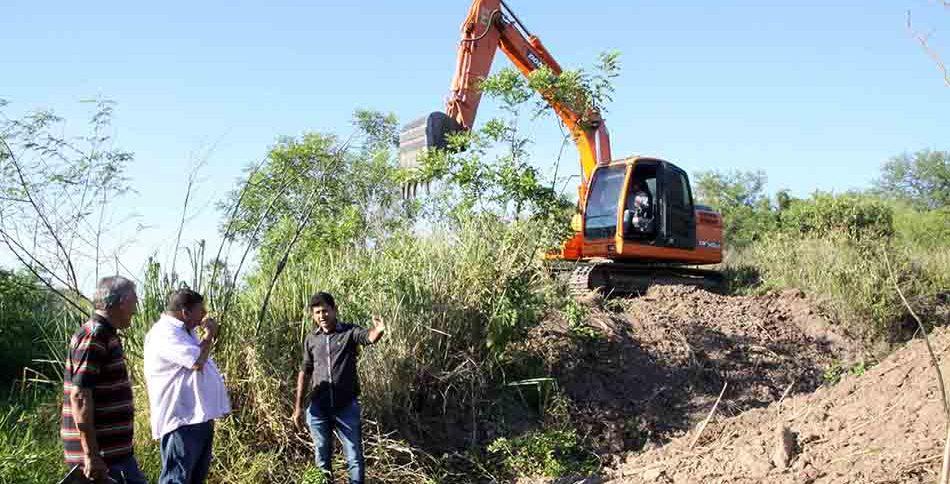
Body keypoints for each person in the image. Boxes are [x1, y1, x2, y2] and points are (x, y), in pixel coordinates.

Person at [292, 292, 386, 484]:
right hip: (319, 409)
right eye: (317, 313)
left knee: (354, 458)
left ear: (334, 310)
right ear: (313, 316)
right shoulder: (311, 339)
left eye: (325, 311)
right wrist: (298, 407)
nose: (322, 316)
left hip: (346, 407)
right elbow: (305, 371)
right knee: (322, 460)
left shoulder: (349, 332)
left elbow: (368, 337)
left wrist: (378, 331)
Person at [62, 275, 147, 483]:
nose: (135, 310)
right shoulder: (95, 335)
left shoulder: (105, 335)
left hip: (113, 455)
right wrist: (91, 454)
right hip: (103, 458)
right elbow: (80, 396)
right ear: (123, 302)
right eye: (134, 302)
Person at [144, 288, 231, 484]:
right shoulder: (164, 333)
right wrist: (209, 335)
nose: (204, 315)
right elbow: (197, 362)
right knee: (177, 478)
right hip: (180, 420)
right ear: (186, 312)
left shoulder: (184, 331)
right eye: (201, 310)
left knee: (194, 477)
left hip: (197, 417)